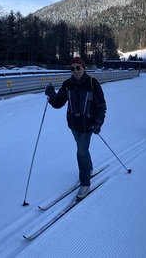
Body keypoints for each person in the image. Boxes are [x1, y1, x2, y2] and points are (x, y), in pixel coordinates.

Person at [45, 57, 106, 199]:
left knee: (81, 151)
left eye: (78, 68)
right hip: (73, 124)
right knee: (81, 148)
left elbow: (101, 106)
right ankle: (89, 167)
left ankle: (85, 183)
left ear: (83, 67)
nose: (75, 71)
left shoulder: (92, 83)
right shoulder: (68, 84)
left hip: (88, 124)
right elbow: (58, 103)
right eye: (72, 68)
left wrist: (98, 123)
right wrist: (51, 95)